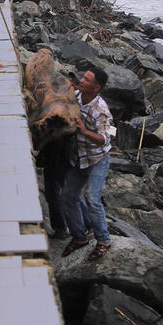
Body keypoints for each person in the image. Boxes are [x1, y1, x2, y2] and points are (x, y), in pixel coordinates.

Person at [61, 67, 112, 260]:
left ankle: (104, 241)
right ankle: (80, 237)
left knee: (92, 198)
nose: (82, 80)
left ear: (96, 88)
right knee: (68, 196)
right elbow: (63, 92)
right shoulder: (76, 95)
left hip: (97, 159)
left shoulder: (101, 110)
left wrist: (83, 131)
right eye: (83, 77)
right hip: (79, 158)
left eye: (87, 80)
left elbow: (104, 139)